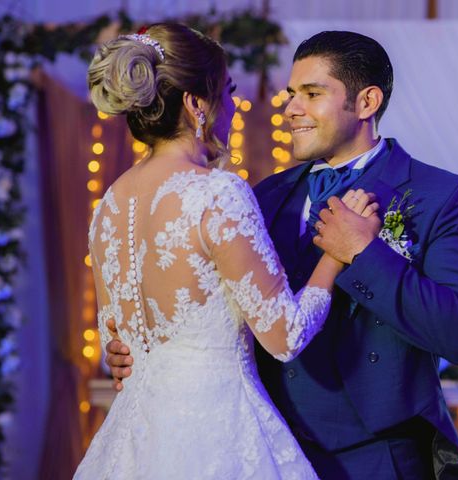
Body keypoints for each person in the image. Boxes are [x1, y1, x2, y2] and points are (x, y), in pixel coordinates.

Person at [106, 30, 458, 479]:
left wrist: (365, 252)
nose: (290, 109)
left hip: (380, 459)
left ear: (366, 103)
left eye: (311, 94)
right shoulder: (262, 196)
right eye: (291, 94)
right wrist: (140, 347)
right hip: (268, 450)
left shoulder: (438, 194)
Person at [74, 24, 379, 479]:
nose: (233, 108)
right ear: (197, 104)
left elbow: (117, 345)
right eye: (229, 93)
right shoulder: (217, 193)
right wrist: (335, 255)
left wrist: (119, 355)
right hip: (217, 435)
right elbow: (286, 336)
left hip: (134, 442)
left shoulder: (109, 207)